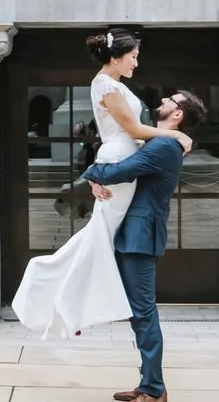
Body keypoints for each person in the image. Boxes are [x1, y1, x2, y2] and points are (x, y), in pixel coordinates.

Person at [10, 30, 192, 340]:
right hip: (119, 155)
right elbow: (134, 129)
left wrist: (96, 176)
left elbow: (136, 133)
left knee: (101, 236)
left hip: (122, 157)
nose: (136, 63)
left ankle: (71, 305)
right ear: (116, 57)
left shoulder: (115, 84)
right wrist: (176, 134)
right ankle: (57, 292)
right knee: (101, 237)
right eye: (133, 57)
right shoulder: (105, 85)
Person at [82, 87, 208, 402]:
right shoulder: (161, 141)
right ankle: (147, 383)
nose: (163, 100)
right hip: (135, 233)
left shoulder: (164, 145)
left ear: (177, 114)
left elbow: (119, 172)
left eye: (171, 100)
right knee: (139, 313)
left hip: (140, 236)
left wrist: (90, 174)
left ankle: (154, 391)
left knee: (143, 312)